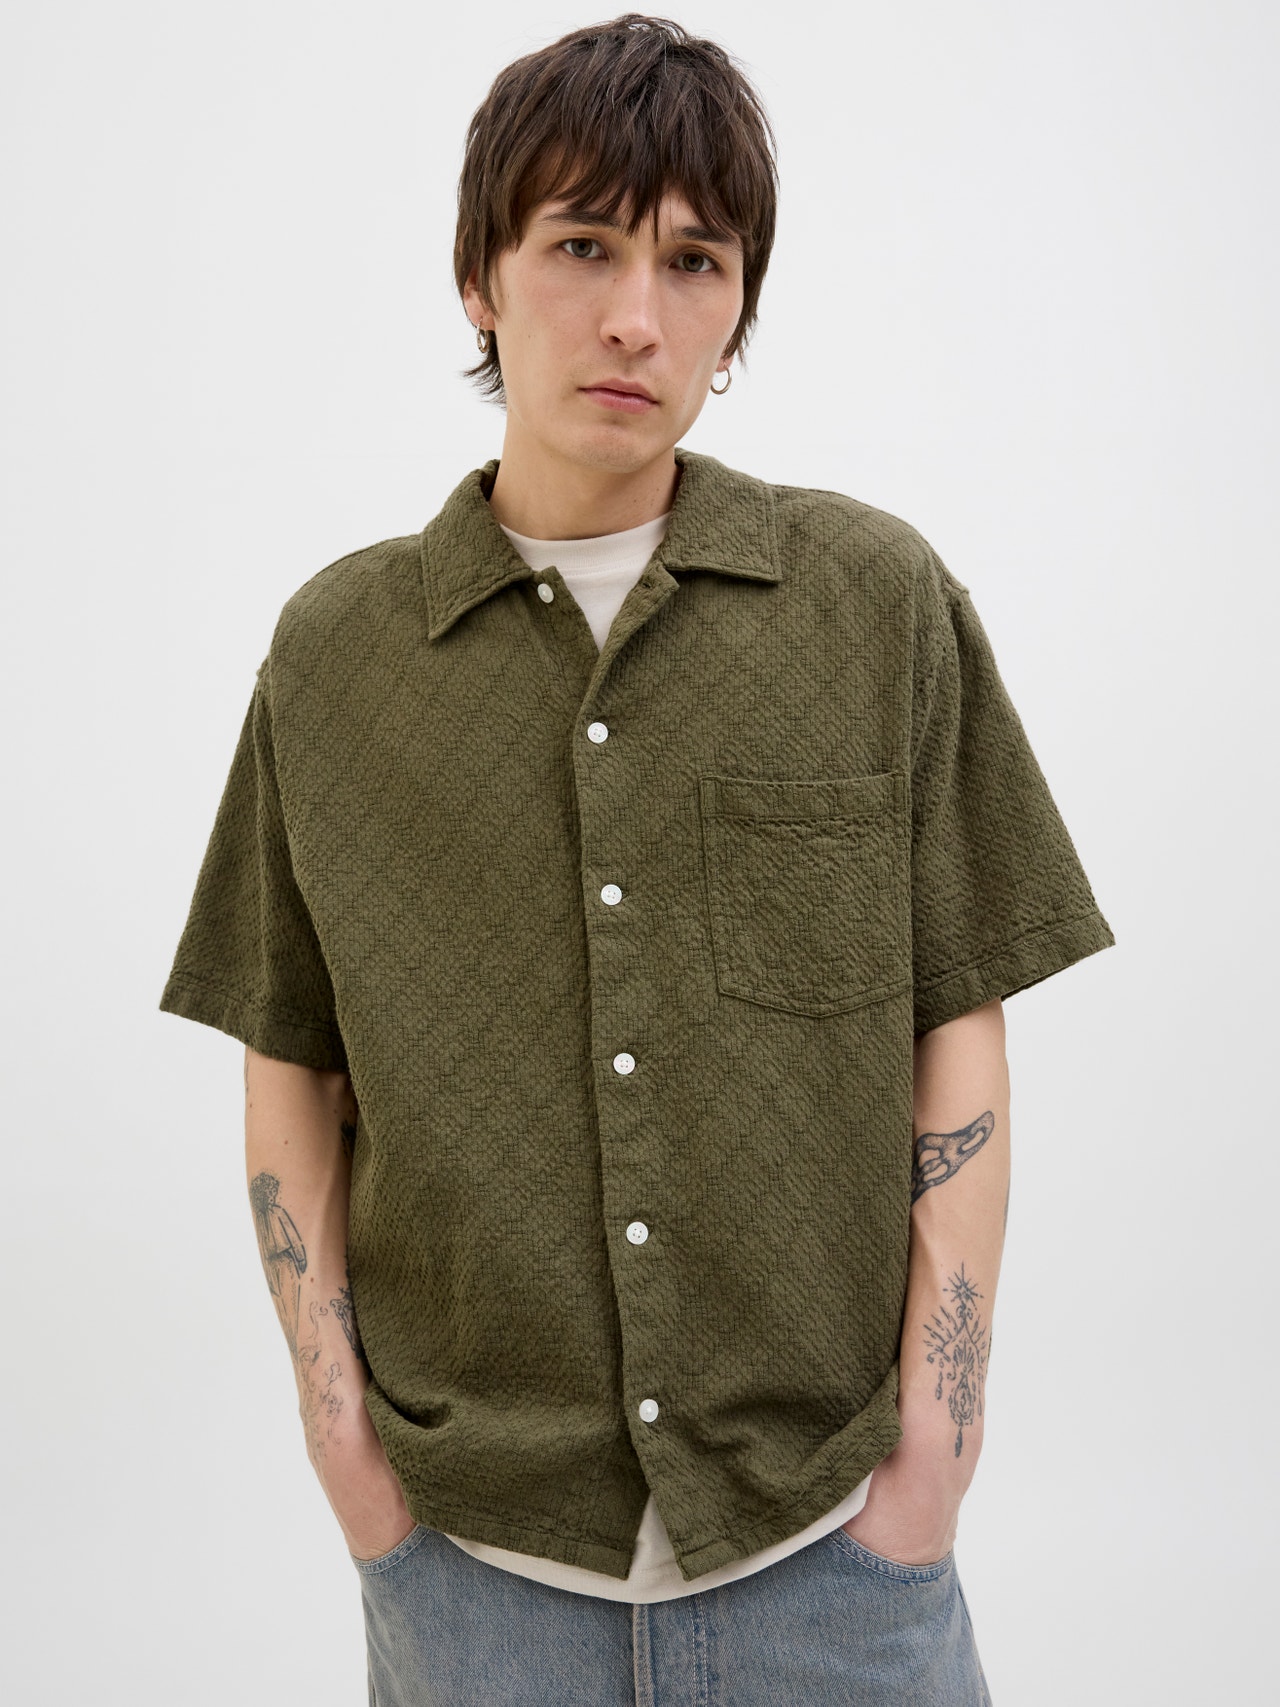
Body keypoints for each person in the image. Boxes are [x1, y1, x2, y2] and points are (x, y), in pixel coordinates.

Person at [158, 14, 1115, 1703]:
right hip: (474, 1576)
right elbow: (288, 1055)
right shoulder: (337, 655)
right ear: (479, 276)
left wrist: (933, 1458)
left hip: (835, 1557)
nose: (635, 317)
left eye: (694, 261)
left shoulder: (872, 606)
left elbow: (957, 1017)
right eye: (583, 245)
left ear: (740, 307)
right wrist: (347, 1454)